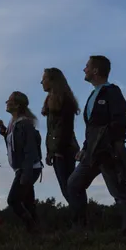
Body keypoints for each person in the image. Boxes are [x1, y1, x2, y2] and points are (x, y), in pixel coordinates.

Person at [67, 56, 126, 233]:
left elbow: (121, 121)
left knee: (120, 193)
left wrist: (110, 143)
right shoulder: (93, 94)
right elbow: (92, 128)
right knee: (73, 184)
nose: (84, 69)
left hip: (108, 152)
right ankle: (80, 228)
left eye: (87, 66)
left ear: (96, 70)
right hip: (91, 153)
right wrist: (85, 147)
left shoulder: (112, 92)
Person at [0, 91, 43, 230]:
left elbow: (30, 149)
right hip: (22, 168)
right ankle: (37, 233)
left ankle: (32, 228)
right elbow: (14, 146)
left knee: (13, 200)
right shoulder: (13, 123)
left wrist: (26, 174)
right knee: (28, 203)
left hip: (28, 168)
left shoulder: (24, 124)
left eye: (9, 100)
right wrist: (4, 132)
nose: (7, 102)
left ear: (17, 105)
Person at [41, 67, 81, 204]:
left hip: (64, 150)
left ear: (53, 80)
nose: (42, 82)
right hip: (58, 150)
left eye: (44, 79)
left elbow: (66, 128)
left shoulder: (64, 100)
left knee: (70, 188)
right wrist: (50, 151)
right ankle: (80, 214)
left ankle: (81, 215)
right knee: (67, 189)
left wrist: (58, 150)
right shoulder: (51, 100)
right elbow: (52, 130)